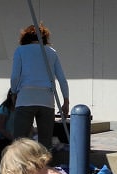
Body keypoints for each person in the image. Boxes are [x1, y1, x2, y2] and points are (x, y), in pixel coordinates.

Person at [10, 23, 69, 151]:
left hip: (25, 97)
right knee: (45, 144)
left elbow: (15, 76)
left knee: (19, 142)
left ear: (25, 37)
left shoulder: (20, 51)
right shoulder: (51, 52)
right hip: (47, 99)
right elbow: (62, 79)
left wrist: (14, 92)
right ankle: (43, 169)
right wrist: (66, 100)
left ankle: (20, 169)